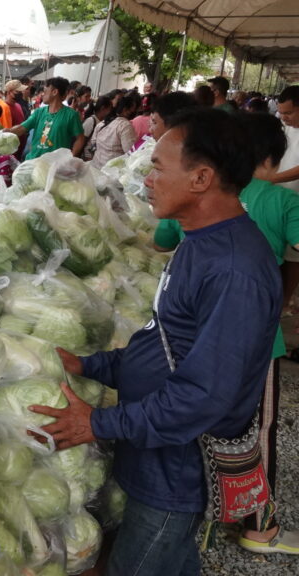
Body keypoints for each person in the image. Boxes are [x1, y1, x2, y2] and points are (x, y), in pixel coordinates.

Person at [33, 108, 281, 575]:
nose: (147, 179)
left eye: (159, 168)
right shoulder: (201, 242)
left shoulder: (235, 271)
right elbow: (165, 339)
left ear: (201, 178)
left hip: (177, 473)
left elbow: (203, 395)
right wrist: (94, 365)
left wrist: (99, 423)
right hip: (156, 457)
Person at [151, 112, 299, 555]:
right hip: (259, 343)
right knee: (256, 430)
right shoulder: (281, 201)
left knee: (203, 421)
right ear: (271, 158)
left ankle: (213, 515)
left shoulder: (195, 198)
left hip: (196, 334)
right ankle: (257, 526)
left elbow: (162, 241)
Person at [6, 77, 85, 160]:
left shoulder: (71, 115)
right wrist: (7, 132)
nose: (42, 94)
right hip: (34, 161)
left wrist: (71, 157)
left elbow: (80, 138)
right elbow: (22, 128)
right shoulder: (38, 112)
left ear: (54, 92)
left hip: (55, 164)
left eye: (45, 91)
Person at [89, 92, 139, 167]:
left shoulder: (102, 122)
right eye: (133, 110)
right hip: (112, 170)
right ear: (125, 110)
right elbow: (130, 152)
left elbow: (93, 143)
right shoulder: (125, 126)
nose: (134, 112)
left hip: (96, 166)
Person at [272, 85, 299, 193]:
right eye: (281, 113)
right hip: (280, 192)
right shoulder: (284, 126)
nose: (283, 118)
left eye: (288, 113)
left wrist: (271, 179)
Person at [82, 95, 113, 161]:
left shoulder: (103, 122)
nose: (110, 112)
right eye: (109, 109)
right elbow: (82, 140)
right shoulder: (91, 121)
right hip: (86, 157)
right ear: (103, 108)